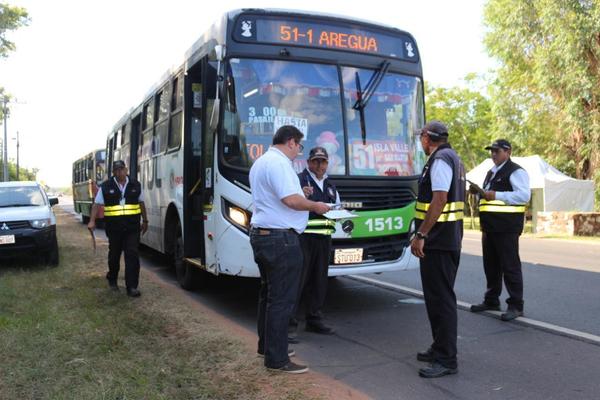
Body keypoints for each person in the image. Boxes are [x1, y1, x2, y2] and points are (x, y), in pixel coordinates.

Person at [249, 125, 330, 374]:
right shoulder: (280, 163)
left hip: (263, 235)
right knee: (282, 299)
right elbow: (290, 200)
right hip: (280, 238)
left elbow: (279, 196)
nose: (299, 152)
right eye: (300, 146)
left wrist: (301, 194)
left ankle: (269, 346)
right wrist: (315, 205)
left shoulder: (261, 162)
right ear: (292, 141)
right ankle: (277, 359)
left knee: (269, 296)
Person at [411, 121, 465, 378]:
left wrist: (421, 234)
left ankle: (446, 359)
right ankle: (439, 347)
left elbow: (440, 199)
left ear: (427, 138)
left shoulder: (440, 160)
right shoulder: (450, 157)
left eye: (421, 137)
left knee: (441, 299)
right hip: (445, 239)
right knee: (436, 298)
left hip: (438, 241)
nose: (420, 141)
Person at [469, 139, 530, 321]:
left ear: (508, 152)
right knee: (491, 266)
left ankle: (516, 305)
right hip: (490, 227)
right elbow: (489, 195)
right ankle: (491, 300)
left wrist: (496, 195)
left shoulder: (516, 171)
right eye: (492, 151)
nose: (493, 154)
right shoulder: (491, 172)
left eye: (497, 151)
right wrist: (479, 192)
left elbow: (523, 196)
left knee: (510, 266)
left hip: (506, 227)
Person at [289, 146, 340, 337]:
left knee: (319, 281)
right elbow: (289, 203)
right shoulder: (298, 181)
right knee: (298, 282)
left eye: (323, 161)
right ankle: (289, 325)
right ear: (308, 162)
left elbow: (335, 208)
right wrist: (302, 195)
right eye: (316, 161)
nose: (320, 165)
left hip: (324, 240)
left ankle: (314, 319)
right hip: (303, 238)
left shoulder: (330, 185)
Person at [88, 160, 148, 297]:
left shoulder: (135, 185)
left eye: (121, 169)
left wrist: (145, 221)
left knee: (132, 254)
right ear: (113, 172)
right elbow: (96, 204)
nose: (119, 172)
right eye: (116, 170)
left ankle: (132, 287)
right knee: (114, 255)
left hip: (132, 228)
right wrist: (92, 221)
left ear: (126, 170)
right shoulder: (106, 186)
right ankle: (112, 279)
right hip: (114, 228)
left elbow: (141, 203)